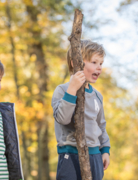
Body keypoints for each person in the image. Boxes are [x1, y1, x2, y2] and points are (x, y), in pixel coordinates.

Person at [51, 40, 110, 180]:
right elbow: (63, 119)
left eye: (101, 63)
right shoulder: (62, 90)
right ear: (75, 63)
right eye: (94, 62)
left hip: (95, 155)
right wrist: (72, 90)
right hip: (70, 154)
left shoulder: (97, 96)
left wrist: (105, 150)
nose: (99, 67)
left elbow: (101, 124)